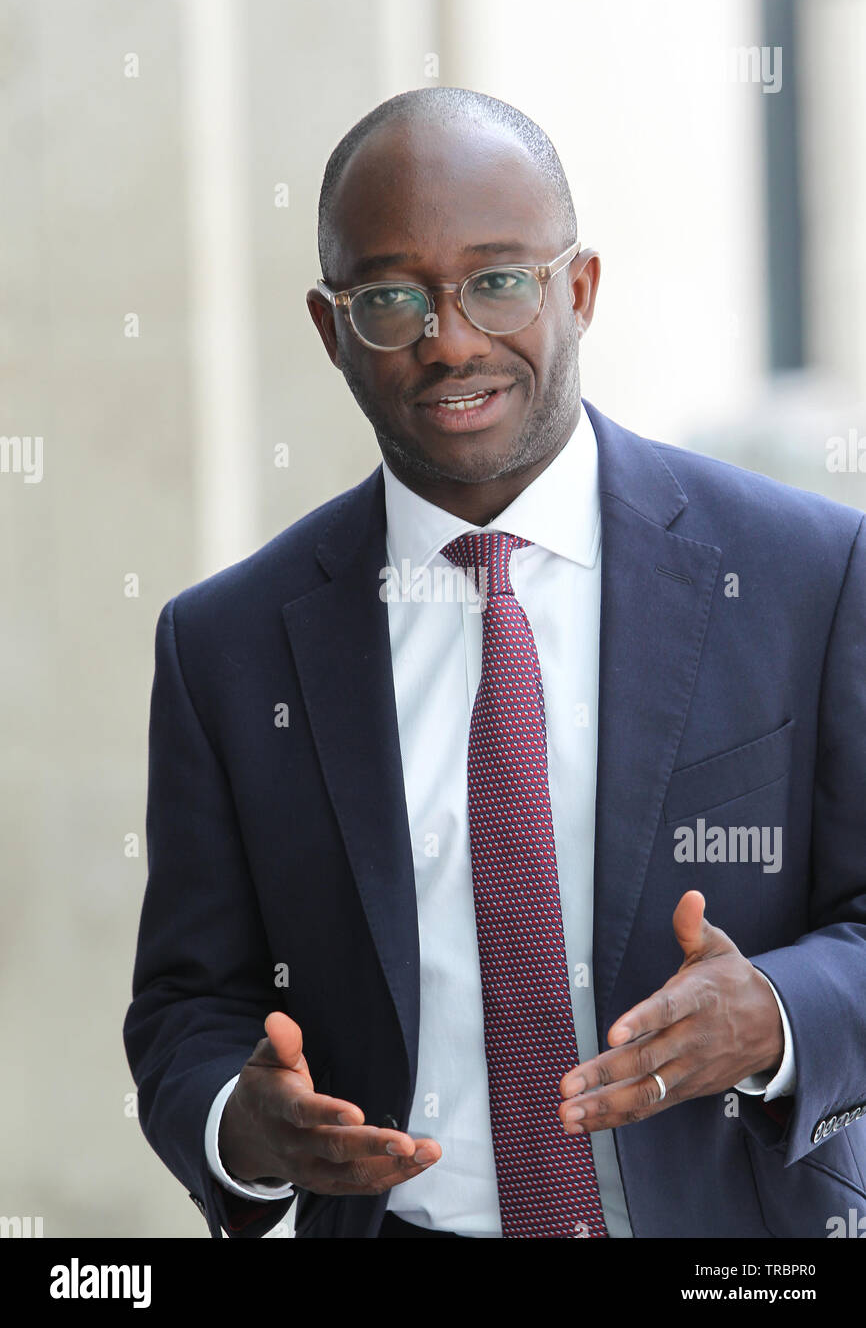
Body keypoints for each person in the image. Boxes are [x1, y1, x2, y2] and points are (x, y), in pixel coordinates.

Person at [124, 87, 866, 1239]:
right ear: (330, 331)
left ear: (578, 289)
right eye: (389, 298)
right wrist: (240, 1122)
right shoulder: (225, 644)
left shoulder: (804, 574)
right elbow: (185, 1005)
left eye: (498, 280)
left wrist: (775, 1013)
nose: (449, 338)